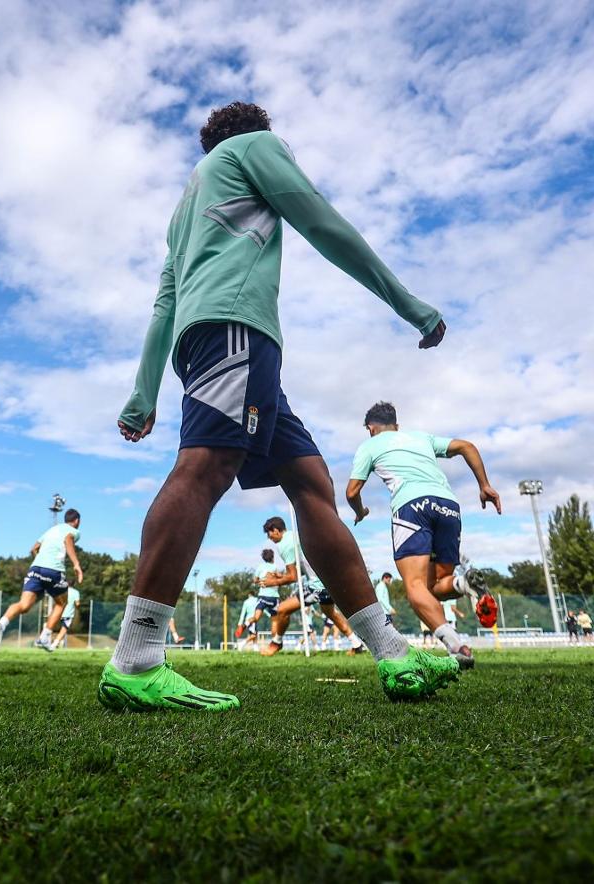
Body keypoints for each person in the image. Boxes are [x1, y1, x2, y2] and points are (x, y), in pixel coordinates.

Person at [99, 101, 459, 711]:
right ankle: (135, 658)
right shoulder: (253, 148)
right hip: (237, 331)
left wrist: (143, 390)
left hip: (220, 339)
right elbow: (322, 223)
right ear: (257, 134)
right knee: (204, 468)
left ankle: (392, 653)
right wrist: (408, 303)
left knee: (312, 485)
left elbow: (165, 302)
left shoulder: (184, 208)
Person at [346, 401, 501, 670]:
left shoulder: (370, 445)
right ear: (397, 425)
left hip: (412, 507)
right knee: (435, 586)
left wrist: (360, 511)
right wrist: (484, 485)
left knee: (414, 587)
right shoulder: (421, 437)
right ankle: (464, 585)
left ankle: (457, 646)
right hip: (448, 506)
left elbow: (351, 492)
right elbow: (467, 446)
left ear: (371, 428)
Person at [259, 517, 364, 657]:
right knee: (330, 613)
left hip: (317, 585)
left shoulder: (284, 544)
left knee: (282, 609)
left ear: (276, 531)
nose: (269, 537)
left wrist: (273, 582)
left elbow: (292, 577)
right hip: (327, 580)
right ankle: (356, 644)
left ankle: (276, 643)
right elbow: (303, 568)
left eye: (269, 533)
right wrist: (279, 577)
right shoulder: (294, 536)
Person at [0, 509, 84, 652]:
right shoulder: (73, 531)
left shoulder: (52, 530)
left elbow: (34, 548)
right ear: (77, 521)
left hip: (35, 569)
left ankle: (1, 624)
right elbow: (68, 539)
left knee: (24, 605)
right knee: (61, 602)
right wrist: (76, 564)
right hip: (54, 570)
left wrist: (40, 564)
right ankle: (45, 637)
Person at [236, 549, 281, 639]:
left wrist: (260, 581)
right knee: (275, 621)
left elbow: (255, 580)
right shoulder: (275, 567)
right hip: (274, 597)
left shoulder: (260, 567)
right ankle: (274, 642)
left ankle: (245, 624)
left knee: (256, 617)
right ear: (272, 557)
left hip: (263, 597)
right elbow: (280, 576)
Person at [51, 585, 83, 650]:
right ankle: (55, 643)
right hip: (68, 614)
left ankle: (56, 641)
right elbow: (77, 604)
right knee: (64, 629)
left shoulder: (61, 590)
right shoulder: (75, 592)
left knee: (53, 627)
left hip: (58, 612)